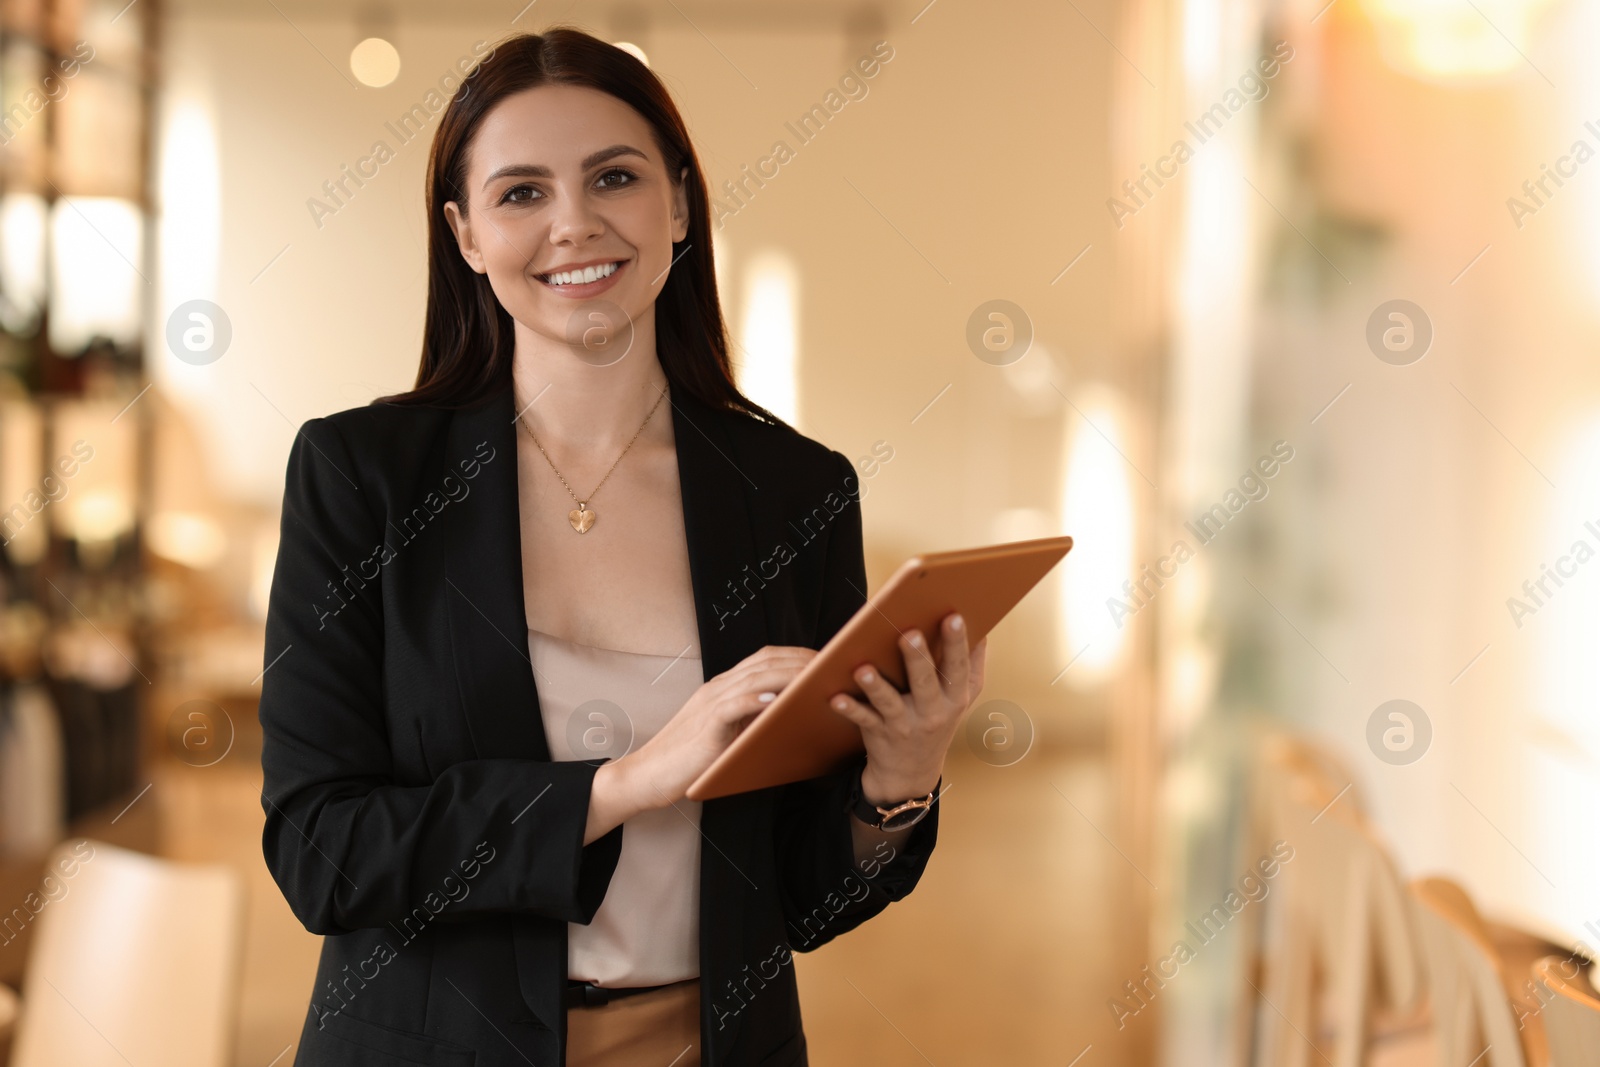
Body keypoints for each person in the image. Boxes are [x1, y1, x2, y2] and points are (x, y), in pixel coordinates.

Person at [258, 26, 986, 1067]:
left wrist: (897, 780)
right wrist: (624, 782)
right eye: (521, 193)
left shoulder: (795, 491)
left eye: (614, 177)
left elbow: (805, 897)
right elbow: (321, 852)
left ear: (680, 204)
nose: (575, 223)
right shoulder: (362, 477)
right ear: (464, 235)